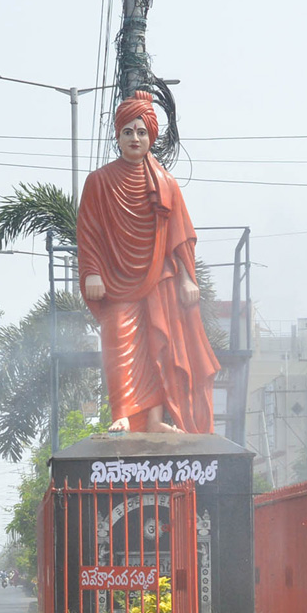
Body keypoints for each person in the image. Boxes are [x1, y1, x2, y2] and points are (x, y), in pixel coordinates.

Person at [77, 90, 220, 434]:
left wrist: (188, 278)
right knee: (119, 343)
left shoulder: (166, 183)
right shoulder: (98, 182)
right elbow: (89, 233)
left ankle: (155, 421)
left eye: (141, 132)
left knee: (159, 345)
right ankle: (123, 414)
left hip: (161, 279)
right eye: (128, 131)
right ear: (118, 136)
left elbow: (180, 235)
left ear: (151, 137)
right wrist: (93, 272)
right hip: (114, 280)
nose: (135, 138)